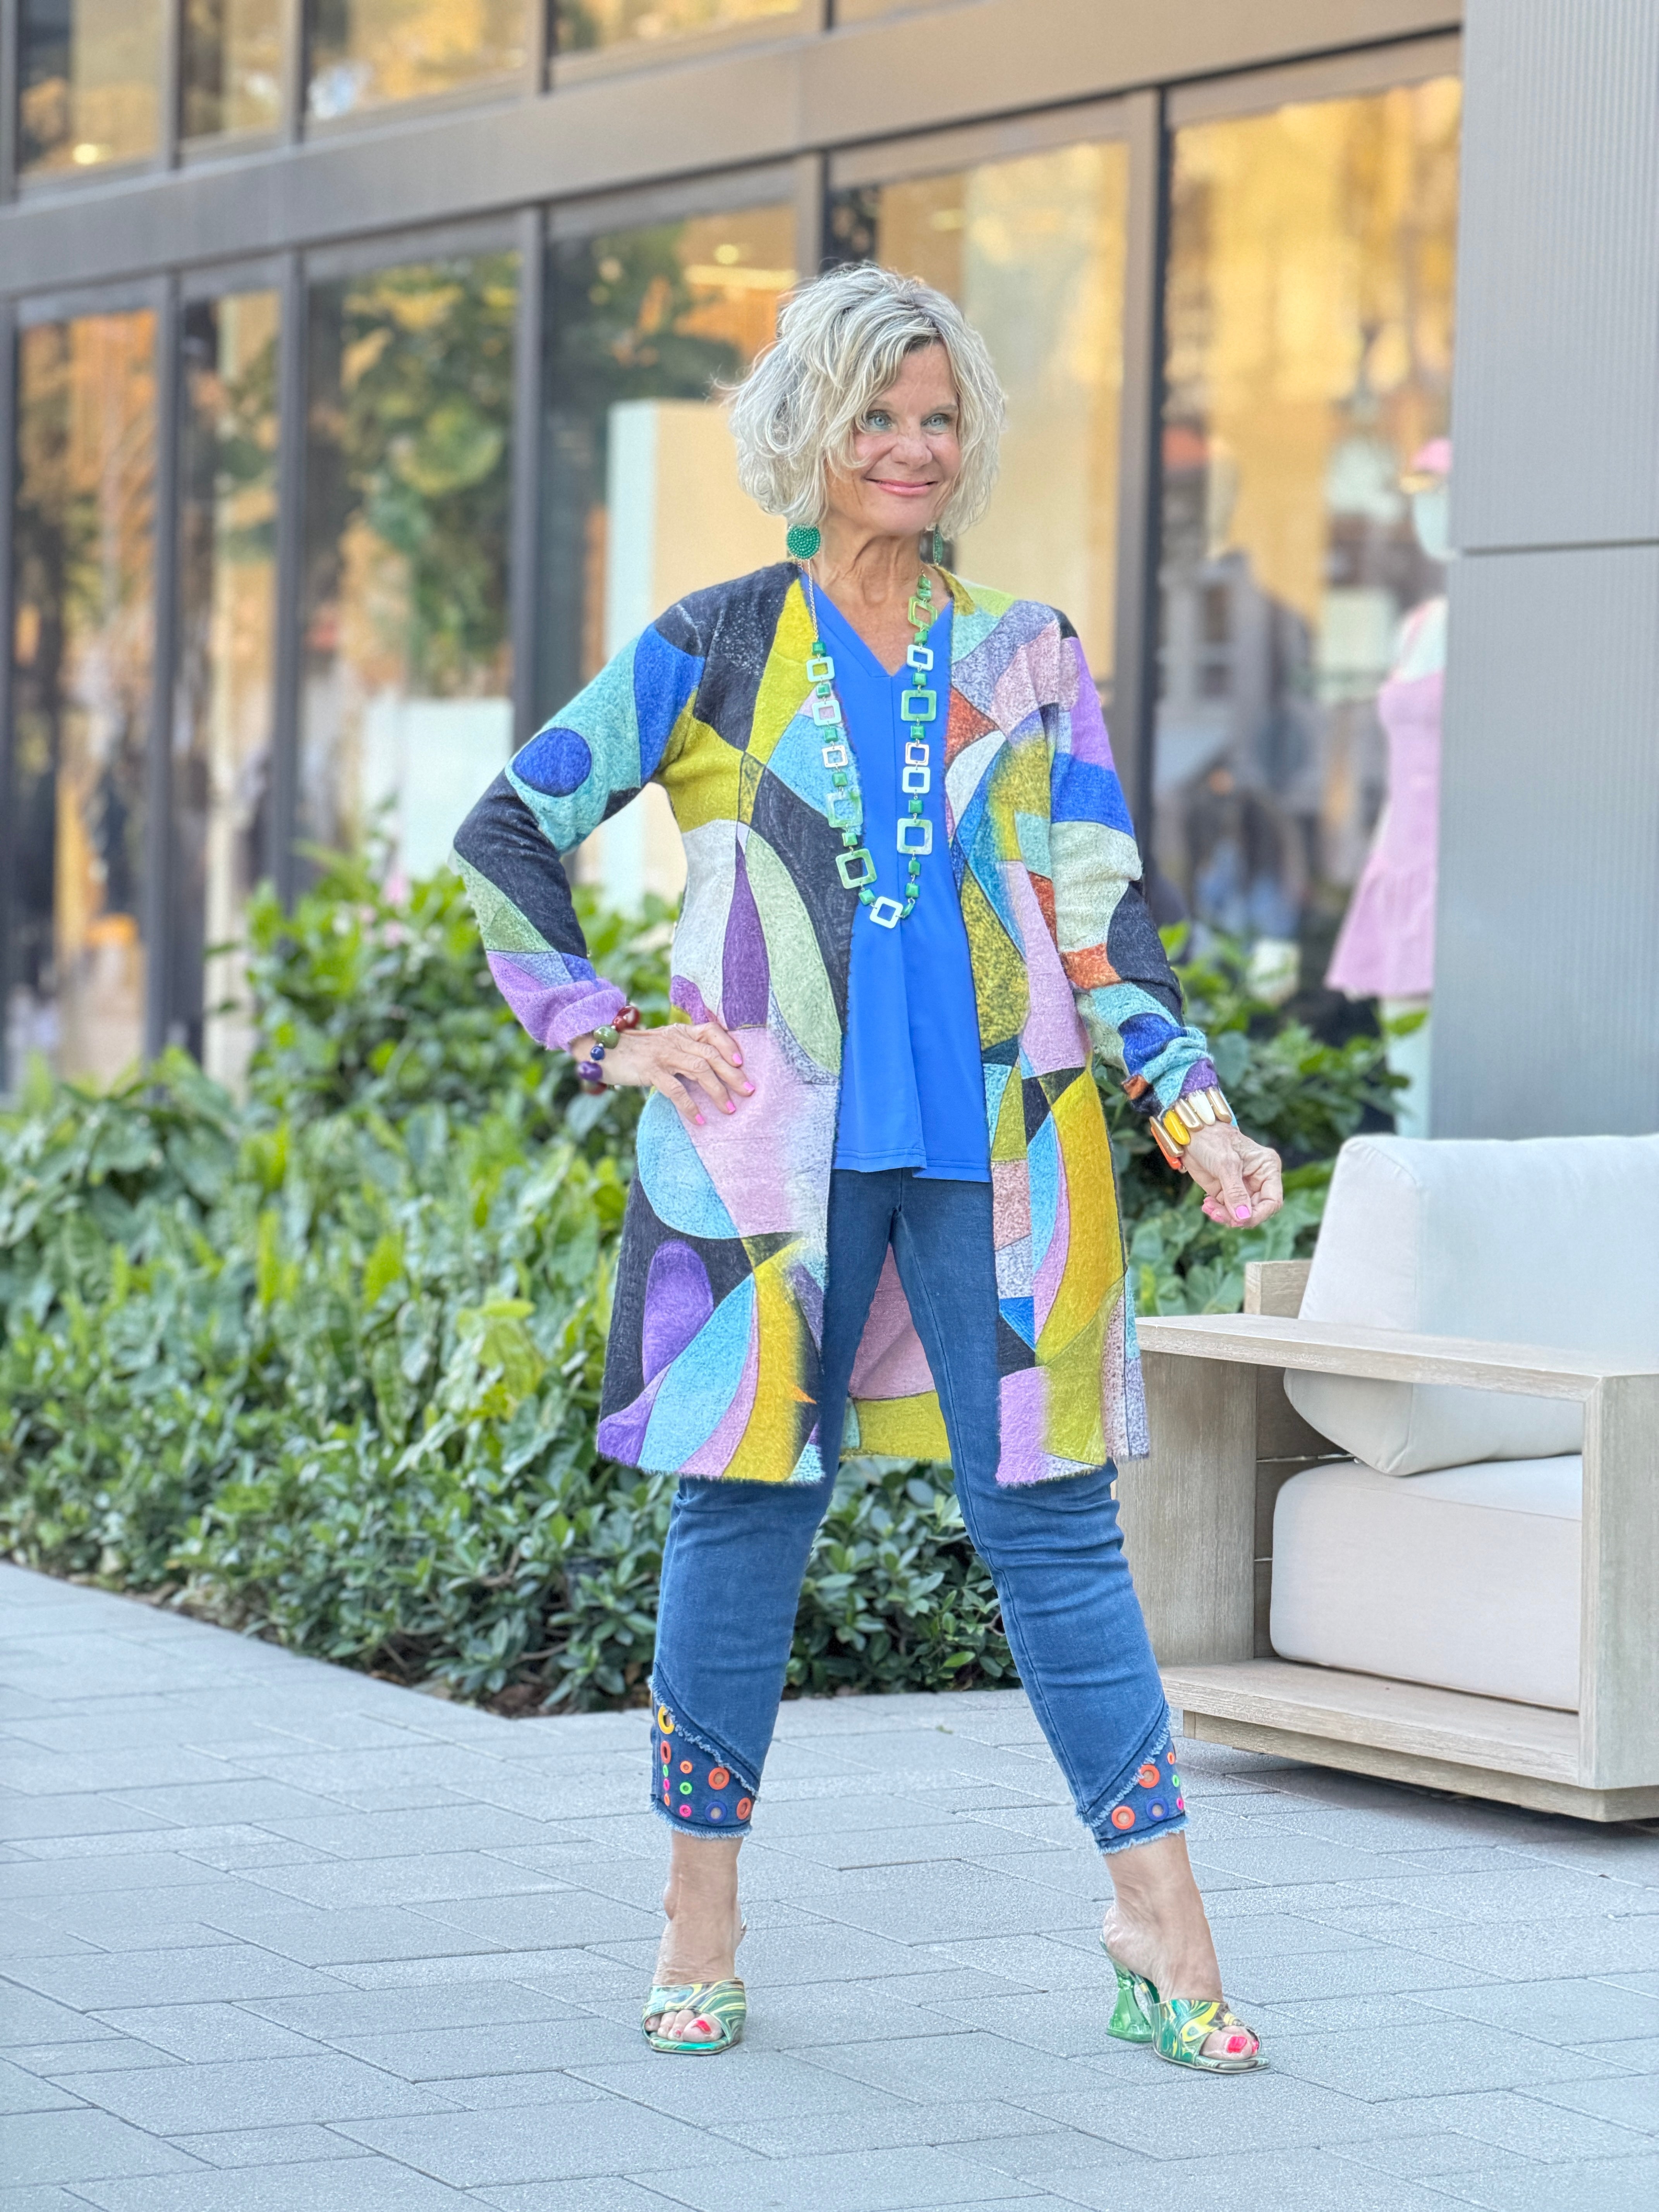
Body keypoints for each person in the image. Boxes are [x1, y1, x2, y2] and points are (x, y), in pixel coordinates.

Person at [454, 264, 1284, 2072]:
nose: (914, 448)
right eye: (877, 417)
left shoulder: (1028, 655)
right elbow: (508, 827)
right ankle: (699, 1918)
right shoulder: (711, 643)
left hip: (1010, 1161)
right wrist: (605, 1029)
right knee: (743, 1518)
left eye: (939, 417)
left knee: (1055, 1526)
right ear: (808, 432)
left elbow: (1099, 911)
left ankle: (1163, 1923)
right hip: (764, 1177)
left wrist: (1195, 1111)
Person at [1326, 437, 1450, 1137]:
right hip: (1400, 863)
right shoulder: (1417, 628)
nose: (1430, 514)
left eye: (1443, 496)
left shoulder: (1494, 622)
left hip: (1457, 869)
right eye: (1421, 499)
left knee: (1453, 1076)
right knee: (1408, 1078)